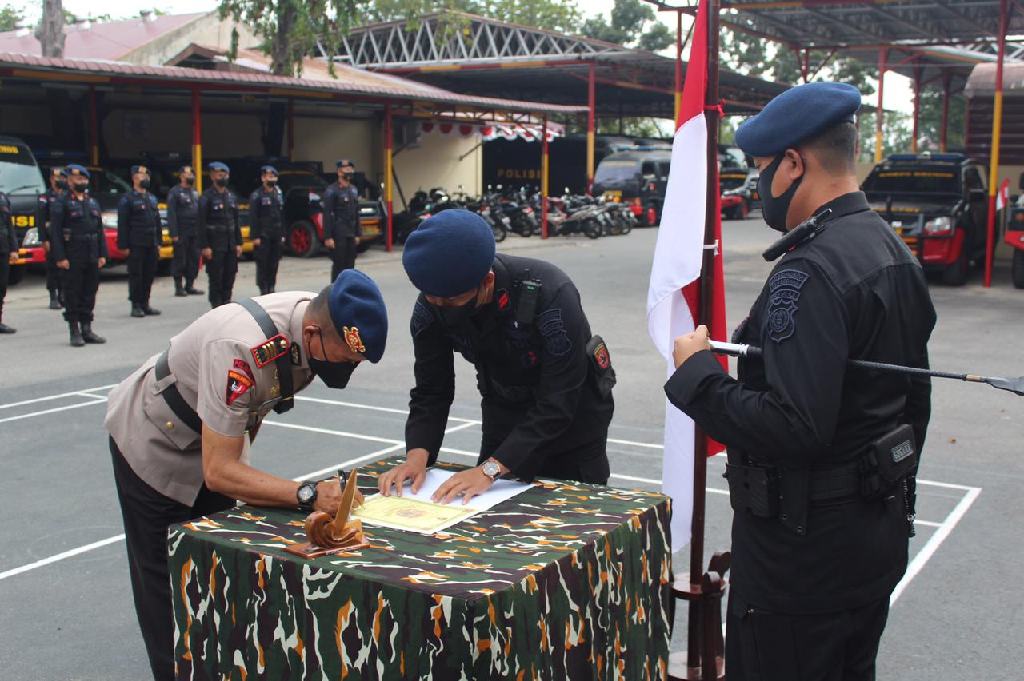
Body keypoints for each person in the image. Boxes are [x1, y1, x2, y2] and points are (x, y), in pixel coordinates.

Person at [664, 82, 936, 681]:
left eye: (761, 170)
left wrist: (697, 376)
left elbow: (797, 426)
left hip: (802, 557)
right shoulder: (891, 250)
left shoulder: (808, 272)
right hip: (871, 535)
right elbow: (914, 403)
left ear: (793, 164)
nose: (757, 186)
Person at [104, 269, 388, 681]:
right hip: (154, 442)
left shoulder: (320, 322)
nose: (349, 369)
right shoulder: (242, 347)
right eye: (346, 360)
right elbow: (219, 472)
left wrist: (246, 476)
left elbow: (258, 406)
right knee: (167, 585)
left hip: (211, 439)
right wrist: (306, 493)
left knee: (217, 572)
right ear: (312, 335)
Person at [378, 209, 616, 504]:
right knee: (484, 516)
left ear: (487, 281)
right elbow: (431, 390)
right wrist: (417, 456)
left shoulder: (550, 295)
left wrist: (489, 470)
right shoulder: (433, 302)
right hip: (503, 415)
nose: (441, 307)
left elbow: (558, 403)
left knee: (572, 523)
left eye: (451, 301)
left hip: (571, 429)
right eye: (431, 298)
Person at [51, 164, 107, 347]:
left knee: (90, 291)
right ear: (69, 181)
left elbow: (99, 230)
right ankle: (74, 330)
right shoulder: (62, 202)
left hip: (91, 252)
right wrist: (60, 257)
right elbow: (56, 233)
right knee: (73, 292)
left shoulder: (91, 202)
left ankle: (87, 328)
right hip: (73, 252)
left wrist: (102, 253)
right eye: (77, 179)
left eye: (84, 179)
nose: (81, 182)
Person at [118, 164, 162, 317]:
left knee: (149, 274)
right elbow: (123, 224)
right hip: (135, 243)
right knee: (136, 275)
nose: (145, 179)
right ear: (134, 178)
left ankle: (145, 303)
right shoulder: (127, 199)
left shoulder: (151, 198)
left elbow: (157, 223)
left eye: (147, 176)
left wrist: (159, 242)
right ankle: (136, 304)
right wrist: (123, 245)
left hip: (151, 242)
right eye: (142, 176)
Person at [198, 161, 242, 308]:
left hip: (230, 243)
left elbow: (235, 221)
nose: (222, 177)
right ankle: (216, 304)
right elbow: (201, 223)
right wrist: (204, 246)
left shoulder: (231, 196)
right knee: (216, 276)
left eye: (224, 174)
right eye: (219, 174)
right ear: (212, 176)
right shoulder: (206, 197)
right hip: (215, 244)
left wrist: (238, 243)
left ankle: (226, 302)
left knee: (230, 274)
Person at [321, 158, 362, 281]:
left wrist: (358, 233)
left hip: (351, 233)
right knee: (339, 265)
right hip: (338, 233)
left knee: (350, 266)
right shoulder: (331, 191)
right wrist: (328, 236)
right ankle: (335, 292)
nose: (349, 171)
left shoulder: (353, 190)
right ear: (339, 172)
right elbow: (327, 214)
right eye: (347, 169)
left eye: (351, 169)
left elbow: (356, 212)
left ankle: (347, 290)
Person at [167, 164, 202, 297]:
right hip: (182, 231)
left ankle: (190, 285)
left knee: (193, 258)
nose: (190, 176)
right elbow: (172, 214)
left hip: (195, 231)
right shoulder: (175, 192)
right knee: (180, 259)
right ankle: (178, 286)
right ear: (181, 176)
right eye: (188, 174)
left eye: (192, 174)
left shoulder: (194, 192)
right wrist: (174, 233)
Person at [249, 164, 285, 295]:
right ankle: (263, 288)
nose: (272, 178)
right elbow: (253, 217)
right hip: (263, 235)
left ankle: (271, 286)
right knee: (262, 263)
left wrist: (283, 234)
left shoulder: (278, 193)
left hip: (276, 234)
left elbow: (282, 215)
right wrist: (255, 236)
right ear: (263, 178)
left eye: (274, 176)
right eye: (269, 176)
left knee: (274, 263)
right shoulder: (257, 195)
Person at [36, 166, 67, 310]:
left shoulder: (67, 196)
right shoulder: (45, 197)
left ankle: (62, 294)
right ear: (51, 179)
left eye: (61, 177)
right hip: (51, 238)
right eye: (55, 177)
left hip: (65, 238)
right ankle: (53, 296)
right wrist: (44, 239)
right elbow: (41, 220)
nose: (58, 180)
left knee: (64, 268)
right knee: (52, 268)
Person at [0, 189, 18, 333]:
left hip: (3, 249)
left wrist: (14, 249)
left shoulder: (3, 197)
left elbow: (9, 226)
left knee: (1, 287)